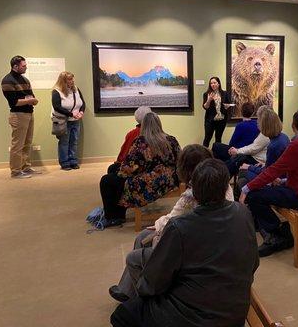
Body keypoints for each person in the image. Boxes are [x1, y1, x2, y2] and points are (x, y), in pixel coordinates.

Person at [110, 159, 259, 327]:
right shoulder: (244, 213)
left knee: (122, 314)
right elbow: (254, 263)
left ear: (193, 191)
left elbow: (154, 283)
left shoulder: (180, 227)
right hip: (235, 313)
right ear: (226, 188)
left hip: (193, 317)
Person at [108, 144, 235, 302]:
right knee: (144, 237)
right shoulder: (224, 189)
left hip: (195, 249)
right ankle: (129, 289)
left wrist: (160, 227)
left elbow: (177, 219)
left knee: (138, 250)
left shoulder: (194, 195)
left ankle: (145, 294)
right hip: (201, 242)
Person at [240, 110, 298, 257]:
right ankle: (279, 231)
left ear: (293, 125)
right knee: (261, 189)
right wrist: (284, 180)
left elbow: (272, 171)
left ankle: (278, 234)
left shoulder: (297, 145)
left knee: (254, 196)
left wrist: (246, 188)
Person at [100, 112, 181, 227]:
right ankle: (118, 210)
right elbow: (180, 160)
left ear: (143, 126)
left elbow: (129, 167)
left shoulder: (141, 142)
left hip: (149, 183)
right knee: (113, 169)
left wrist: (120, 172)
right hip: (170, 179)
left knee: (107, 180)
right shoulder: (171, 140)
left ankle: (113, 216)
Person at [235, 108, 290, 199]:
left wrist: (249, 167)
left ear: (265, 125)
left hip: (277, 181)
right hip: (281, 175)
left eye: (259, 122)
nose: (257, 123)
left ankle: (244, 200)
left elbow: (268, 174)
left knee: (243, 172)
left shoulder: (273, 146)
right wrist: (264, 164)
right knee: (244, 170)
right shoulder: (283, 137)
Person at [1, 55, 40, 178]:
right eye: (24, 66)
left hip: (29, 113)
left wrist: (31, 100)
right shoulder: (7, 81)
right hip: (18, 115)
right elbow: (14, 102)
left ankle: (26, 167)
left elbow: (30, 96)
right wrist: (30, 100)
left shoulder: (25, 80)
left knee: (27, 143)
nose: (26, 68)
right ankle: (16, 171)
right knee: (17, 145)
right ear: (15, 66)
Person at [51, 71, 86, 170]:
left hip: (76, 120)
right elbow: (56, 106)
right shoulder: (57, 91)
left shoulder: (76, 89)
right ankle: (64, 162)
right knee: (64, 142)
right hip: (63, 121)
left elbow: (83, 103)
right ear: (63, 81)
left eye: (72, 78)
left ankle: (73, 160)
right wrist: (71, 114)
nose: (72, 81)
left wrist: (81, 112)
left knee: (74, 141)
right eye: (70, 79)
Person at [225, 106, 271, 177]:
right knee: (234, 159)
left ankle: (220, 178)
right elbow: (253, 146)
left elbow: (253, 148)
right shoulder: (263, 130)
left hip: (257, 160)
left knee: (237, 158)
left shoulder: (266, 133)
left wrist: (237, 151)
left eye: (259, 118)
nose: (257, 121)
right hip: (254, 156)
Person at [106, 106, 152, 175]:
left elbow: (123, 155)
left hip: (136, 170)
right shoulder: (157, 132)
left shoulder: (132, 134)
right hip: (152, 169)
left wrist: (118, 162)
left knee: (111, 169)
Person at [202, 76, 232, 147]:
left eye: (214, 83)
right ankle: (203, 155)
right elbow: (205, 107)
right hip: (210, 120)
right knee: (207, 138)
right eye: (211, 83)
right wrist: (209, 100)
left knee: (218, 138)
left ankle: (217, 155)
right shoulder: (206, 94)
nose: (213, 84)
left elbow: (228, 103)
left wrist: (227, 106)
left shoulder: (224, 93)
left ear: (218, 84)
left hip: (221, 120)